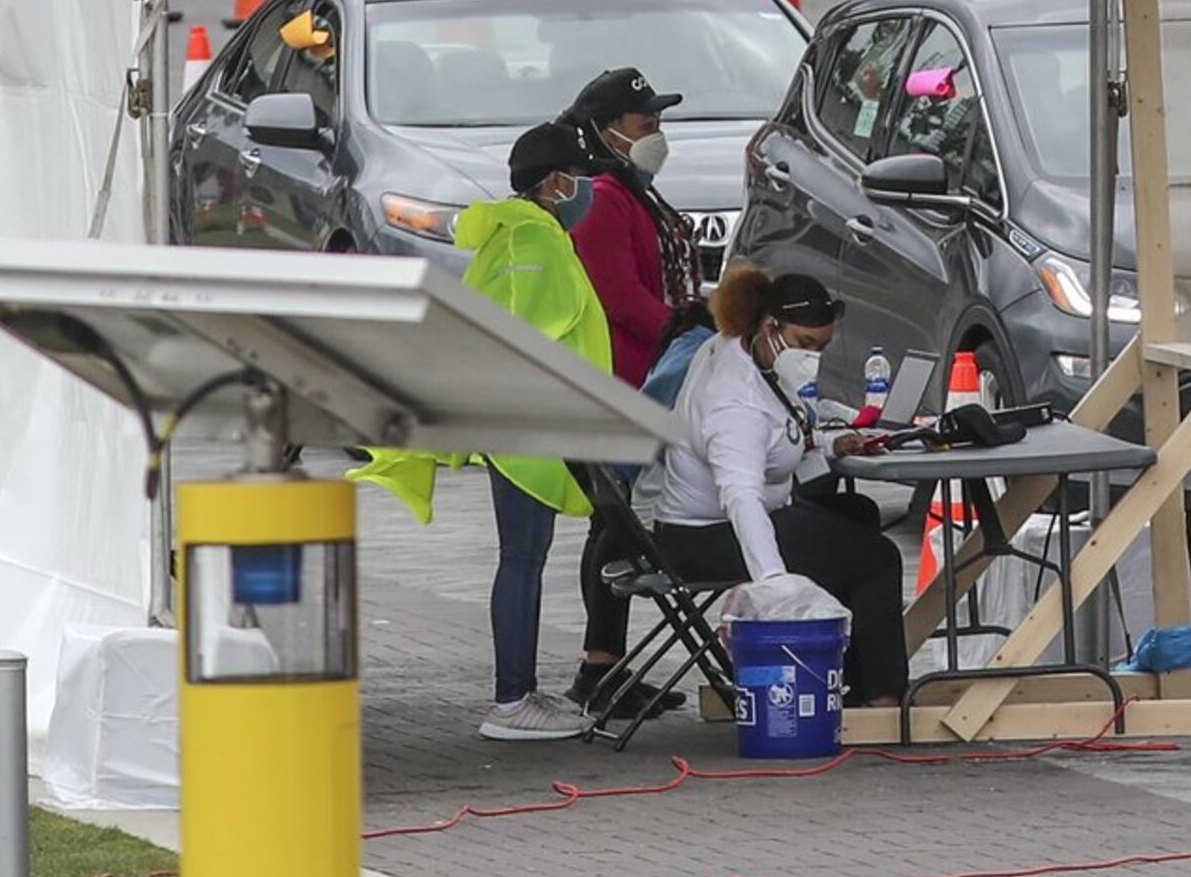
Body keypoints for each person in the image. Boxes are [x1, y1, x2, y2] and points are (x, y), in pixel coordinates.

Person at [355, 121, 611, 742]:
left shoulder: (521, 233)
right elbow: (531, 332)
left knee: (523, 559)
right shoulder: (534, 240)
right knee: (522, 560)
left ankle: (518, 691)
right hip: (526, 426)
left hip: (523, 424)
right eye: (579, 178)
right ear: (555, 182)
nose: (587, 191)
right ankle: (511, 700)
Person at [633, 266, 908, 706]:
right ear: (770, 326)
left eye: (822, 347)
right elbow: (741, 496)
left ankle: (848, 680)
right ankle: (883, 699)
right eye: (805, 344)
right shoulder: (734, 400)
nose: (812, 356)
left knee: (858, 517)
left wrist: (832, 441)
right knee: (877, 559)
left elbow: (779, 433)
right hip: (704, 535)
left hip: (714, 520)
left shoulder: (743, 350)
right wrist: (776, 583)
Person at [555, 65, 707, 720]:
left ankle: (607, 665)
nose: (658, 132)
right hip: (624, 383)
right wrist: (684, 331)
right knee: (611, 525)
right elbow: (619, 297)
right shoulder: (604, 200)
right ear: (606, 130)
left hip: (652, 377)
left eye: (660, 121)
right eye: (647, 122)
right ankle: (599, 669)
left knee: (615, 527)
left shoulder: (637, 192)